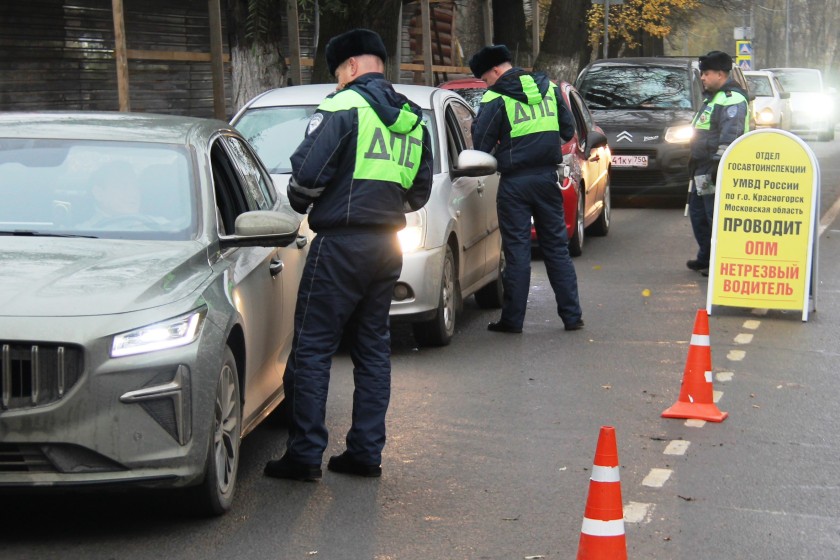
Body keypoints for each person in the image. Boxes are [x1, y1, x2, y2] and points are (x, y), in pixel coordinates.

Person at [264, 28, 433, 481]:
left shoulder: (343, 106)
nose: (337, 80)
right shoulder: (413, 118)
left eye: (338, 72)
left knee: (313, 349)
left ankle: (304, 455)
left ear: (353, 66)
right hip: (387, 245)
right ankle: (364, 453)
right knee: (373, 349)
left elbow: (307, 173)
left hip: (340, 243)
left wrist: (303, 203)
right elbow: (419, 191)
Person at [469, 44, 583, 334]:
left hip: (515, 184)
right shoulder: (548, 89)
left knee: (517, 252)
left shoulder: (495, 98)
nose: (486, 84)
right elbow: (567, 131)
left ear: (496, 70)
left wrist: (501, 143)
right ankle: (572, 317)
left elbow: (481, 145)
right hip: (547, 180)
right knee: (557, 249)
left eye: (485, 78)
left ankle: (513, 321)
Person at [686, 50, 749, 276]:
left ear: (721, 74)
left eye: (706, 73)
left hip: (717, 168)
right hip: (703, 167)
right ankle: (706, 256)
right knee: (699, 214)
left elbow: (730, 134)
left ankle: (719, 262)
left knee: (715, 215)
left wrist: (717, 164)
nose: (702, 77)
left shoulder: (732, 99)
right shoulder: (712, 97)